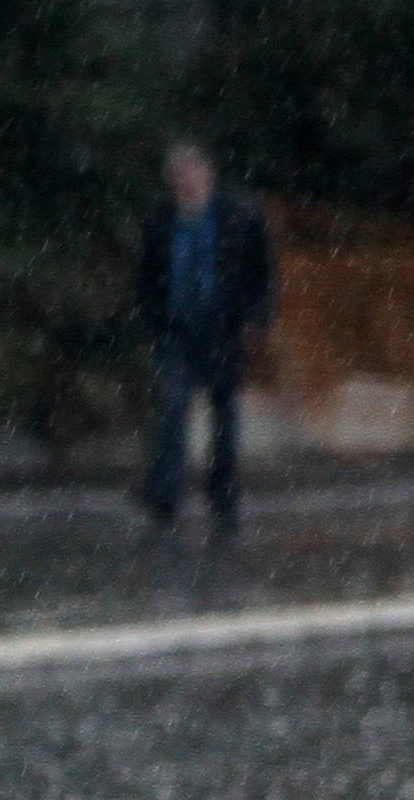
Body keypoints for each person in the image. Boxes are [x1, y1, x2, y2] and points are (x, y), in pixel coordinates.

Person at [133, 138, 277, 536]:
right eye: (177, 175)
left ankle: (223, 496)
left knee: (224, 415)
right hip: (176, 328)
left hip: (223, 328)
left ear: (208, 172)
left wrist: (255, 319)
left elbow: (260, 273)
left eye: (192, 172)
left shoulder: (238, 215)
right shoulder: (162, 220)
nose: (186, 182)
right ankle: (165, 496)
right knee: (172, 406)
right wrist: (151, 319)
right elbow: (146, 277)